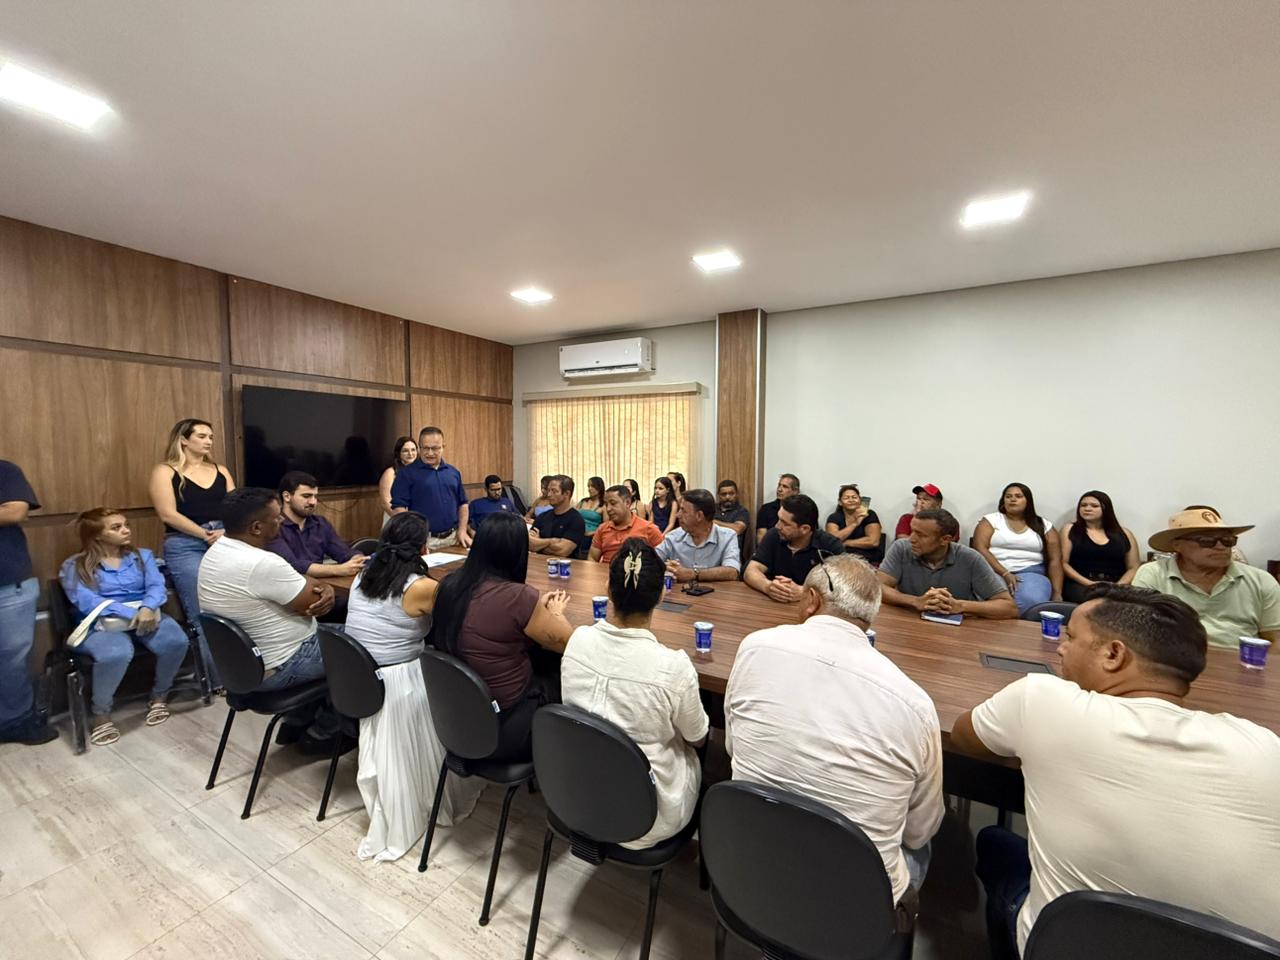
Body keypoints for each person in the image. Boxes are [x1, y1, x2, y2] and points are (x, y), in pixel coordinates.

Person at [951, 584, 1280, 958]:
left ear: (1113, 654)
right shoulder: (1263, 746)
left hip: (1066, 946)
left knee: (995, 842)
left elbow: (964, 737)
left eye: (1071, 637)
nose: (1060, 648)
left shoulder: (1042, 701)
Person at [727, 554, 943, 915]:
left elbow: (733, 747)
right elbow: (920, 830)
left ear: (811, 599)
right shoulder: (915, 703)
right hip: (856, 905)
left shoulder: (754, 647)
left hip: (748, 867)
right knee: (923, 844)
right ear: (870, 616)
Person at [344, 512, 481, 861]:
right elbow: (458, 621)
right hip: (399, 679)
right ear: (423, 547)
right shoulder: (421, 587)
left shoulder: (363, 575)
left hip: (362, 674)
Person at [562, 539, 709, 849]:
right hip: (647, 819)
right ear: (661, 595)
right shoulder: (674, 666)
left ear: (608, 589)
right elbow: (697, 737)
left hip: (578, 797)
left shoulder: (577, 640)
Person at [430, 513, 573, 761]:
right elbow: (570, 644)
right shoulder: (518, 597)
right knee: (560, 668)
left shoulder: (449, 586)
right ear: (518, 553)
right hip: (506, 728)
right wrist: (556, 613)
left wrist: (534, 611)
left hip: (458, 719)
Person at [197, 488, 336, 736]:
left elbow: (299, 586)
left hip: (243, 668)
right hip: (284, 663)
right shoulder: (262, 563)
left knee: (347, 635)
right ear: (256, 528)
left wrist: (311, 585)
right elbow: (312, 603)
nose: (282, 520)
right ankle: (327, 731)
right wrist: (326, 588)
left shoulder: (216, 552)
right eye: (276, 517)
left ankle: (297, 722)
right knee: (371, 645)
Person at [58, 509, 190, 745]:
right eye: (116, 527)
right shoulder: (75, 565)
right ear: (97, 535)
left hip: (147, 615)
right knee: (116, 653)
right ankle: (101, 712)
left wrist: (147, 607)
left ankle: (160, 696)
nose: (126, 530)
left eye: (126, 525)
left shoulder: (142, 556)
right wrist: (130, 613)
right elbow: (86, 600)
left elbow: (156, 586)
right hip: (102, 624)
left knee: (176, 640)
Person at [149, 418, 236, 688]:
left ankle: (242, 670)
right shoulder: (165, 471)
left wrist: (225, 532)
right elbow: (167, 514)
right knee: (201, 610)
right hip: (185, 542)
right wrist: (204, 535)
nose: (208, 441)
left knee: (234, 603)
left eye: (210, 436)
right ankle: (218, 680)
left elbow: (235, 507)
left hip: (224, 538)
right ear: (184, 440)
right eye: (201, 436)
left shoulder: (220, 470)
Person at [1132, 506, 1280, 647]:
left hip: (1242, 660)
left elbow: (1276, 640)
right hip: (1174, 659)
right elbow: (1139, 633)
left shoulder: (1261, 580)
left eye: (1228, 541)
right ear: (1177, 545)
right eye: (1207, 541)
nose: (1221, 547)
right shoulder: (1153, 574)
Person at [0, 459, 56, 745]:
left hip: (9, 583)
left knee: (13, 659)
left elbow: (15, 510)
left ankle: (16, 721)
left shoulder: (5, 470)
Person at [877, 510, 1018, 619]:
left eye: (921, 535)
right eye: (912, 531)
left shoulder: (970, 558)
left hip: (955, 632)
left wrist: (960, 605)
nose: (911, 539)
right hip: (908, 623)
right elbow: (877, 587)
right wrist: (915, 601)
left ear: (945, 539)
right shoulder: (901, 548)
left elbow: (1009, 607)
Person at [973, 483, 1063, 615]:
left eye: (1018, 496)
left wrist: (1057, 593)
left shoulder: (1044, 525)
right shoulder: (991, 520)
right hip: (993, 570)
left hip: (1031, 572)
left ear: (1028, 501)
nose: (1012, 499)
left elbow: (1055, 560)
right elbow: (980, 548)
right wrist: (1005, 573)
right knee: (992, 599)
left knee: (1032, 600)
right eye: (1008, 496)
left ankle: (1015, 627)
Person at [744, 494, 844, 603]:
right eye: (779, 519)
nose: (777, 526)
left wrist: (805, 592)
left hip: (813, 607)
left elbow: (846, 585)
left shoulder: (830, 545)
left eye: (785, 523)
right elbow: (751, 571)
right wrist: (768, 586)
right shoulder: (774, 535)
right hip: (774, 604)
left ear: (804, 529)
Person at [268, 472, 366, 580]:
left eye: (315, 496)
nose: (313, 502)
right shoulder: (273, 526)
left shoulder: (320, 523)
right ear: (287, 496)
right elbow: (292, 565)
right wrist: (339, 569)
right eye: (306, 496)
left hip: (320, 584)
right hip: (289, 585)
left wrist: (357, 560)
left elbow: (344, 553)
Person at [389, 426, 471, 548]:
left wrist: (462, 530)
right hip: (424, 542)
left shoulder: (453, 473)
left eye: (435, 448)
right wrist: (412, 536)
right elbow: (398, 509)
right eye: (426, 448)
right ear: (419, 447)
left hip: (454, 539)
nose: (430, 453)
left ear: (443, 447)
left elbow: (463, 504)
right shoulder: (406, 474)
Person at [1060, 491, 1139, 603]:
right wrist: (1090, 583)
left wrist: (1118, 586)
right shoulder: (1070, 529)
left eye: (1094, 506)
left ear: (1106, 509)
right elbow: (1063, 563)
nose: (1087, 509)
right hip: (1081, 583)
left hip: (1117, 584)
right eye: (1083, 505)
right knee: (1098, 602)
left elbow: (1133, 567)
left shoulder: (1124, 533)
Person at [655, 489, 741, 583]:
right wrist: (664, 567)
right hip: (679, 592)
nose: (678, 515)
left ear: (699, 516)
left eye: (683, 511)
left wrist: (692, 574)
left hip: (716, 592)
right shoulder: (673, 537)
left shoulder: (727, 537)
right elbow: (649, 561)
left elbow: (733, 572)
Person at [590, 485, 666, 564]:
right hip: (605, 570)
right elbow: (592, 558)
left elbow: (663, 559)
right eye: (606, 504)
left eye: (613, 503)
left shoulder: (649, 529)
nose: (608, 509)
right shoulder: (602, 529)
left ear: (627, 503)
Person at [528, 475, 586, 558]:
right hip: (540, 563)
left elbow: (562, 551)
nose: (549, 494)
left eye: (554, 491)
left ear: (567, 494)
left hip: (565, 565)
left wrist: (538, 543)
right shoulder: (542, 517)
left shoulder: (576, 520)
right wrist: (551, 541)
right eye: (548, 490)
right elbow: (529, 544)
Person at [825, 484, 884, 564]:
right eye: (846, 498)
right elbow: (832, 540)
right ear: (840, 502)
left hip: (867, 559)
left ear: (860, 500)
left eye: (854, 497)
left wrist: (847, 542)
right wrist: (855, 524)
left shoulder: (869, 514)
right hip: (841, 559)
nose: (851, 500)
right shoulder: (834, 517)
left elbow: (873, 542)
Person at [378, 436, 418, 526]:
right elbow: (386, 503)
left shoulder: (421, 471)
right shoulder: (390, 473)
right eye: (405, 451)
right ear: (398, 453)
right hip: (396, 520)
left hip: (416, 522)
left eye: (413, 450)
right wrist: (403, 521)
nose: (410, 454)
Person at [755, 473, 800, 544]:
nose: (779, 489)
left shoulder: (803, 510)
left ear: (795, 491)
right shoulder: (766, 509)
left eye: (785, 487)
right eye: (779, 485)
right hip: (771, 548)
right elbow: (761, 538)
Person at [713, 479, 751, 558]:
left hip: (732, 552)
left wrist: (713, 522)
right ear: (718, 495)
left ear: (736, 494)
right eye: (724, 494)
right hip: (712, 550)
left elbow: (737, 529)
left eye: (731, 493)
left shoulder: (741, 511)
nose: (727, 497)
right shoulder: (711, 509)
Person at [576, 476, 606, 542]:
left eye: (592, 486)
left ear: (599, 487)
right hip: (576, 532)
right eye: (588, 486)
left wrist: (593, 533)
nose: (589, 489)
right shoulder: (583, 501)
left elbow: (606, 526)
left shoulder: (603, 505)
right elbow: (573, 516)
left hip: (592, 536)